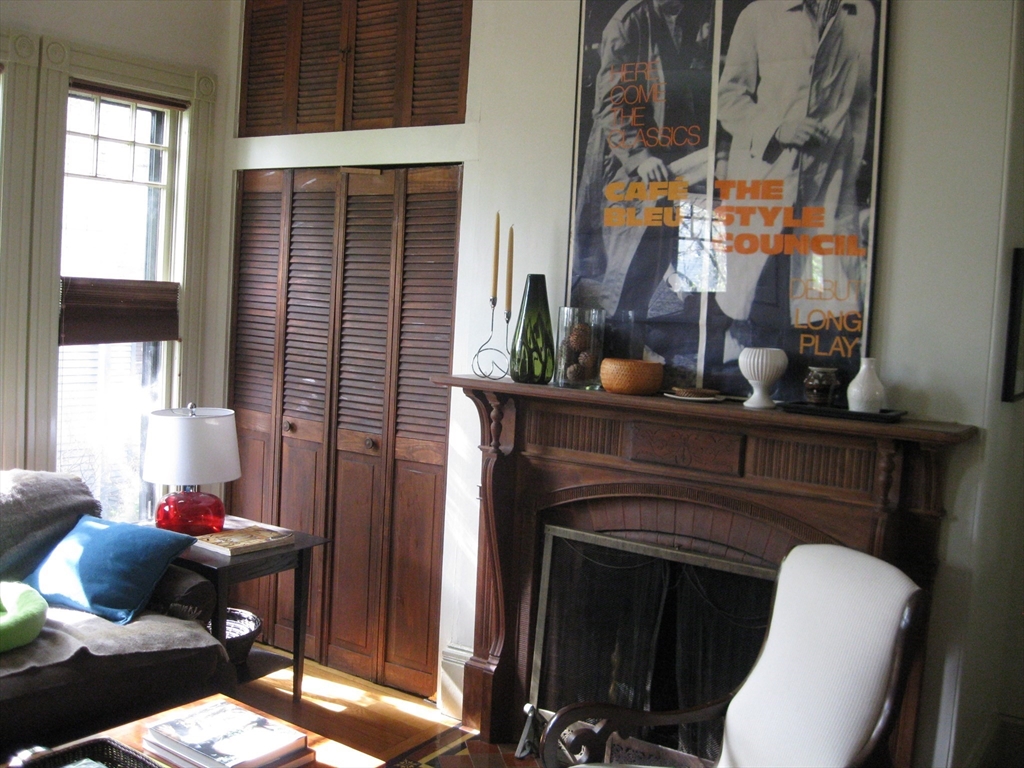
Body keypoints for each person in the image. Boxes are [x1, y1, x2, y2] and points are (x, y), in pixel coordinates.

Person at [715, 0, 876, 353]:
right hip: (766, 172)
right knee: (758, 301)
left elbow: (861, 101)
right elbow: (728, 98)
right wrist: (777, 128)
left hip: (829, 179)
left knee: (822, 304)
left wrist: (854, 164)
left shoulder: (859, 12)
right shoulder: (759, 14)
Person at [573, 0, 715, 326]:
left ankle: (696, 316)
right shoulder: (628, 23)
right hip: (628, 152)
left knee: (702, 218)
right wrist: (639, 156)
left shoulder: (692, 13)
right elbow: (611, 103)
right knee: (630, 252)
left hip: (675, 146)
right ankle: (619, 337)